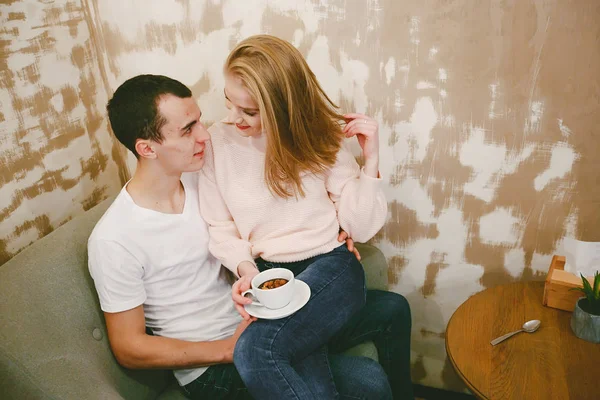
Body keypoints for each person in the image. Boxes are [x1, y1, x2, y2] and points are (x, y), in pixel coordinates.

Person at [88, 74, 413, 400]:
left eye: (199, 120)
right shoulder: (115, 239)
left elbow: (279, 204)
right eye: (188, 129)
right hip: (216, 362)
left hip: (264, 316)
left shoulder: (198, 175)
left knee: (392, 309)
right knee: (367, 379)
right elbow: (130, 348)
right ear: (147, 148)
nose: (205, 135)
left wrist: (336, 228)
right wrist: (227, 350)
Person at [198, 35, 413, 399]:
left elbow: (360, 227)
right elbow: (220, 227)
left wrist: (370, 162)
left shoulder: (318, 138)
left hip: (331, 267)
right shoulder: (217, 143)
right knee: (318, 374)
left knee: (255, 352)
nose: (233, 119)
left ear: (282, 106)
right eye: (229, 103)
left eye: (249, 111)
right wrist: (247, 271)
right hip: (269, 276)